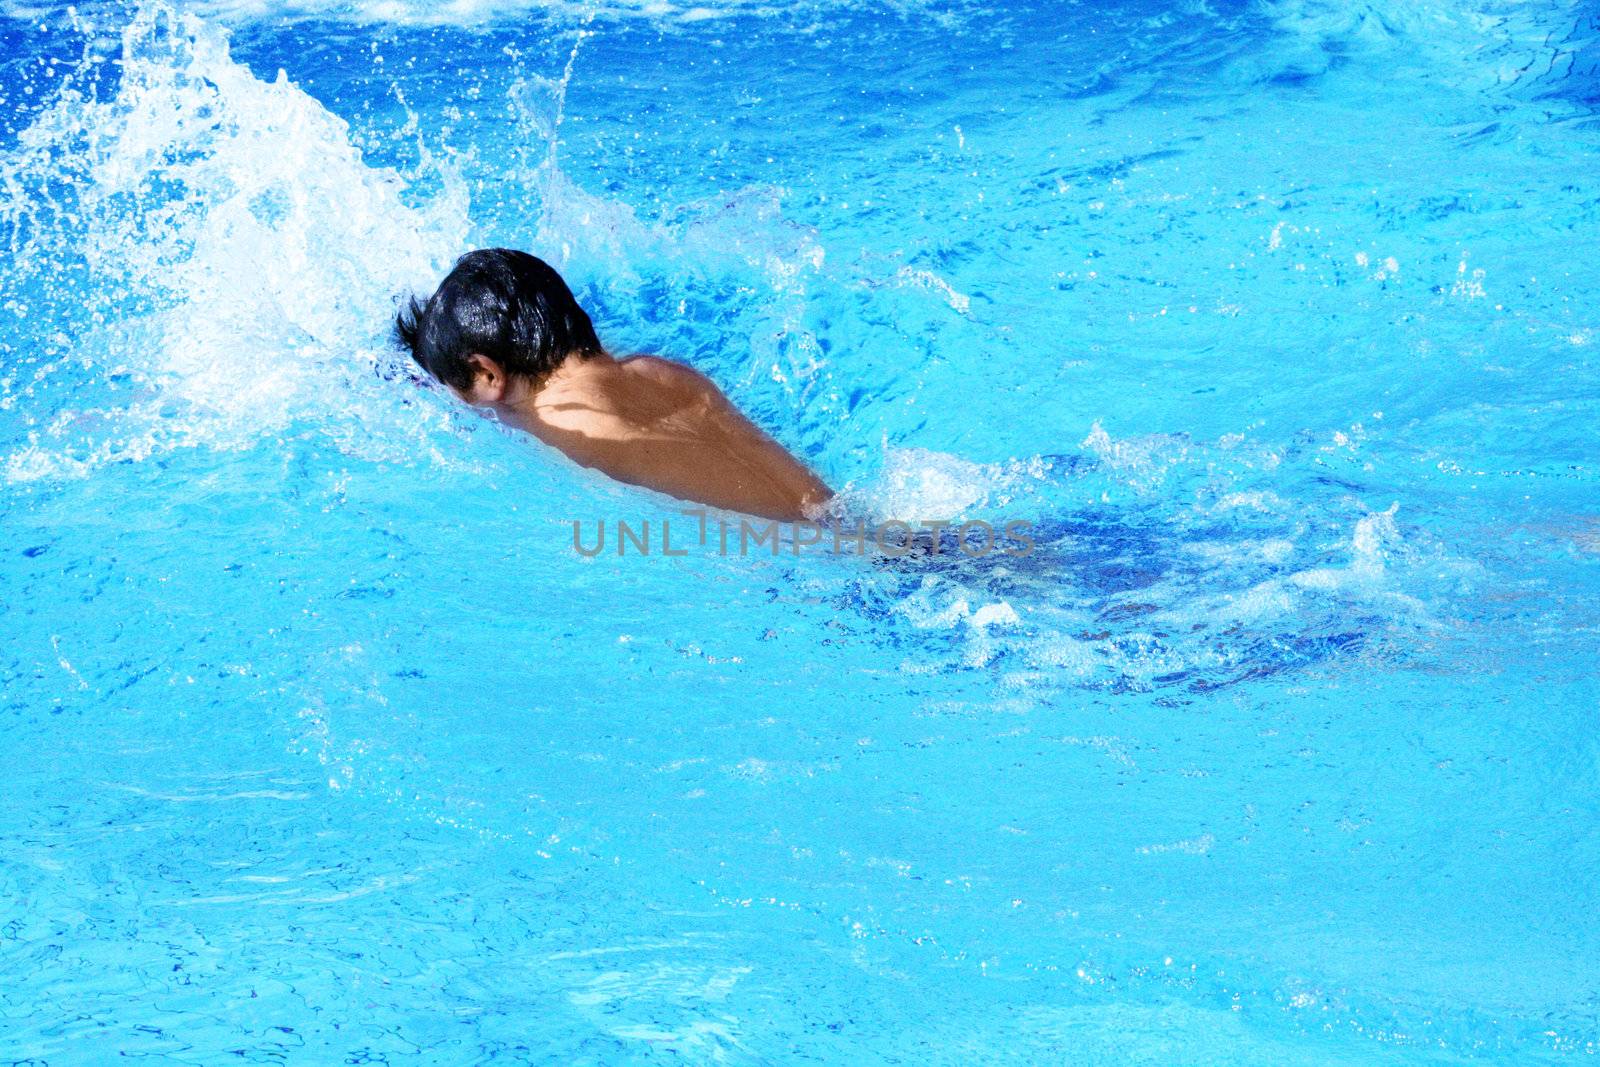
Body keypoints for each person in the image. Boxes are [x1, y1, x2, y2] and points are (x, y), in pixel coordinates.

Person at [395, 248, 834, 522]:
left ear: (488, 373)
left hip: (815, 568)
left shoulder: (552, 433)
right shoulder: (660, 372)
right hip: (854, 528)